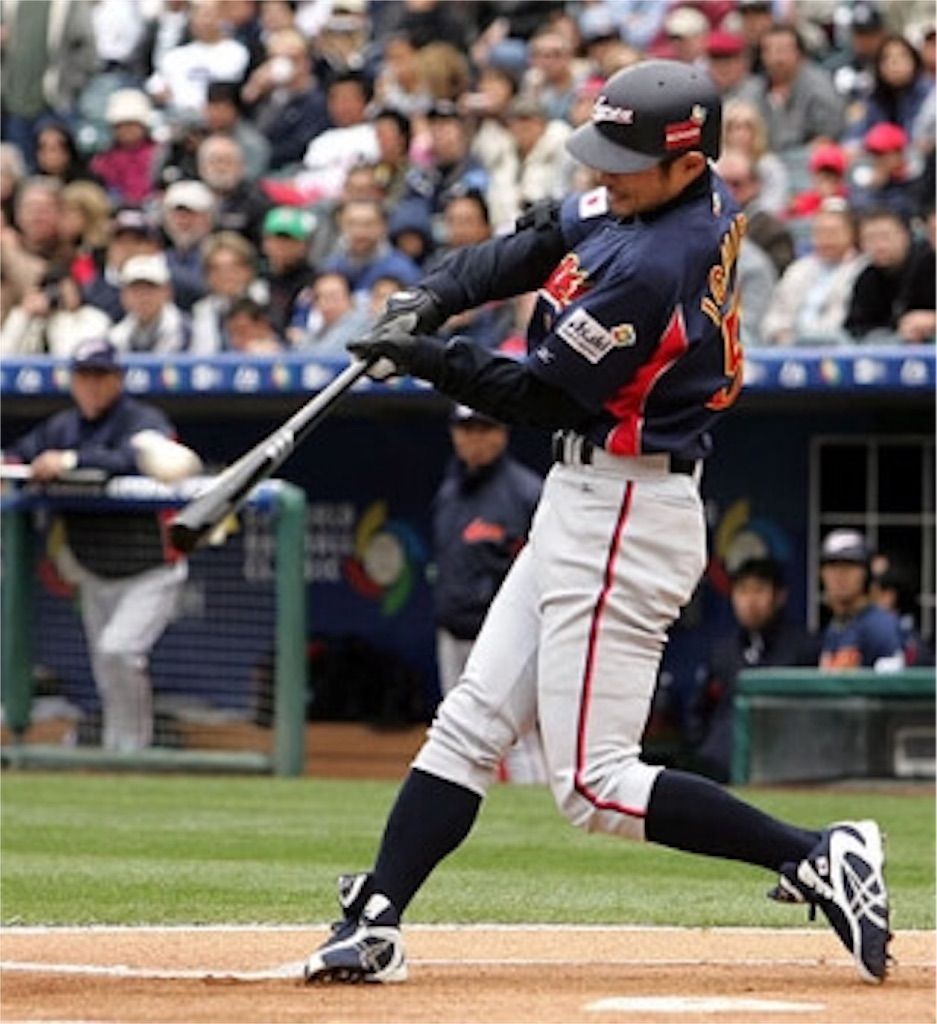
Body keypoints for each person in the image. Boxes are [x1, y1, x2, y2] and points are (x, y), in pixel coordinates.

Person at [303, 59, 891, 988]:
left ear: (686, 162)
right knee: (470, 720)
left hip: (627, 500)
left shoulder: (658, 264)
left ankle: (816, 853)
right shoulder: (648, 196)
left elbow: (542, 397)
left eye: (627, 159)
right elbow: (536, 240)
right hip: (587, 498)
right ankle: (377, 914)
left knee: (590, 784)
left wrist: (424, 357)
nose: (606, 173)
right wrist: (438, 294)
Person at [2, 337, 202, 751]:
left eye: (100, 376)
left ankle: (131, 752)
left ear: (117, 379)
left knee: (118, 652)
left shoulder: (139, 418)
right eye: (84, 376)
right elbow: (20, 455)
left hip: (151, 569)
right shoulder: (62, 426)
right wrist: (17, 467)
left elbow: (140, 456)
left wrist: (71, 462)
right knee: (107, 668)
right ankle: (120, 753)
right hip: (95, 571)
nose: (91, 385)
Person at [433, 404, 546, 784]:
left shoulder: (527, 493)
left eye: (484, 427)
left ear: (502, 432)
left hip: (506, 637)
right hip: (453, 632)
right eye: (466, 428)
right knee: (457, 734)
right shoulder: (450, 491)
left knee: (517, 739)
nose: (474, 438)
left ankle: (536, 820)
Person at [685, 558, 819, 783]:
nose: (750, 601)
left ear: (779, 596)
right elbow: (699, 712)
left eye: (759, 590)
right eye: (743, 591)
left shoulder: (803, 647)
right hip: (720, 768)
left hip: (783, 770)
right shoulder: (723, 652)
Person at [761, 198, 866, 346]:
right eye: (820, 232)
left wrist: (810, 339)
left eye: (833, 232)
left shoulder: (863, 270)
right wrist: (780, 333)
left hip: (838, 349)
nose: (826, 238)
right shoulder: (798, 269)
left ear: (852, 234)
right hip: (789, 348)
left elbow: (844, 321)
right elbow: (776, 313)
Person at [818, 529, 905, 672]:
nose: (840, 575)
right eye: (833, 566)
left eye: (850, 566)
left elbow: (892, 688)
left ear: (866, 573)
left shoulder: (880, 626)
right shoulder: (836, 626)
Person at [844, 206, 935, 342]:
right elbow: (855, 326)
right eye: (870, 239)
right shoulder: (866, 276)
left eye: (885, 237)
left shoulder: (929, 264)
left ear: (905, 236)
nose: (879, 245)